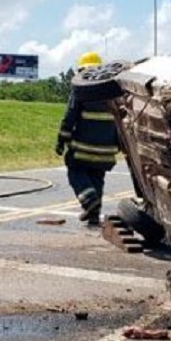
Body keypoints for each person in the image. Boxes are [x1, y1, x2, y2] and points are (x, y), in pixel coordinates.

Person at [56, 51, 120, 225]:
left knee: (75, 171)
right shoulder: (112, 91)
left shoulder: (81, 90)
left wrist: (61, 139)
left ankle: (90, 202)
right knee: (97, 177)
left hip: (83, 148)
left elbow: (70, 116)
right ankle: (93, 214)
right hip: (107, 150)